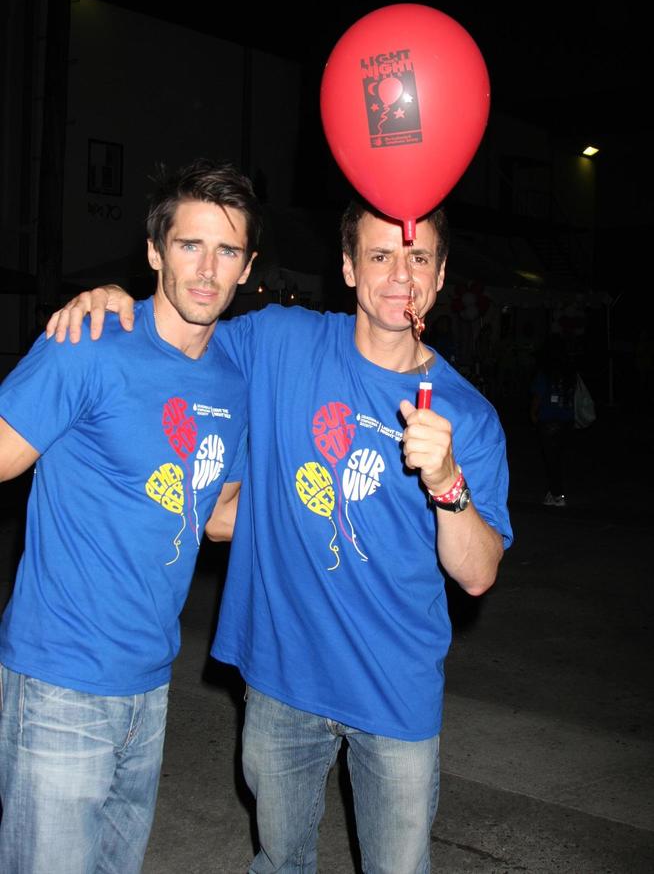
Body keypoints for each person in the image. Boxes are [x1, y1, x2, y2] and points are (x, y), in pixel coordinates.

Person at [47, 200, 512, 874]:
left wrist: (446, 480)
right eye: (380, 256)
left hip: (395, 691)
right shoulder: (281, 341)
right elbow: (182, 329)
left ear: (440, 277)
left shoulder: (467, 413)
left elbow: (477, 574)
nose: (399, 275)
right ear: (348, 267)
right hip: (281, 680)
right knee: (279, 863)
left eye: (418, 259)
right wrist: (114, 299)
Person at [0, 159, 261, 873]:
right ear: (153, 252)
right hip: (60, 681)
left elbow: (219, 516)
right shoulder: (88, 342)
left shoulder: (231, 381)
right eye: (189, 245)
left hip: (149, 684)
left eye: (227, 250)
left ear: (247, 266)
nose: (207, 270)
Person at [530, 334, 576, 507]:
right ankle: (554, 492)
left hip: (548, 419)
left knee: (551, 459)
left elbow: (537, 396)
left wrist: (533, 414)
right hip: (567, 419)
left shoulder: (545, 372)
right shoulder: (569, 371)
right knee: (559, 458)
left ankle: (558, 494)